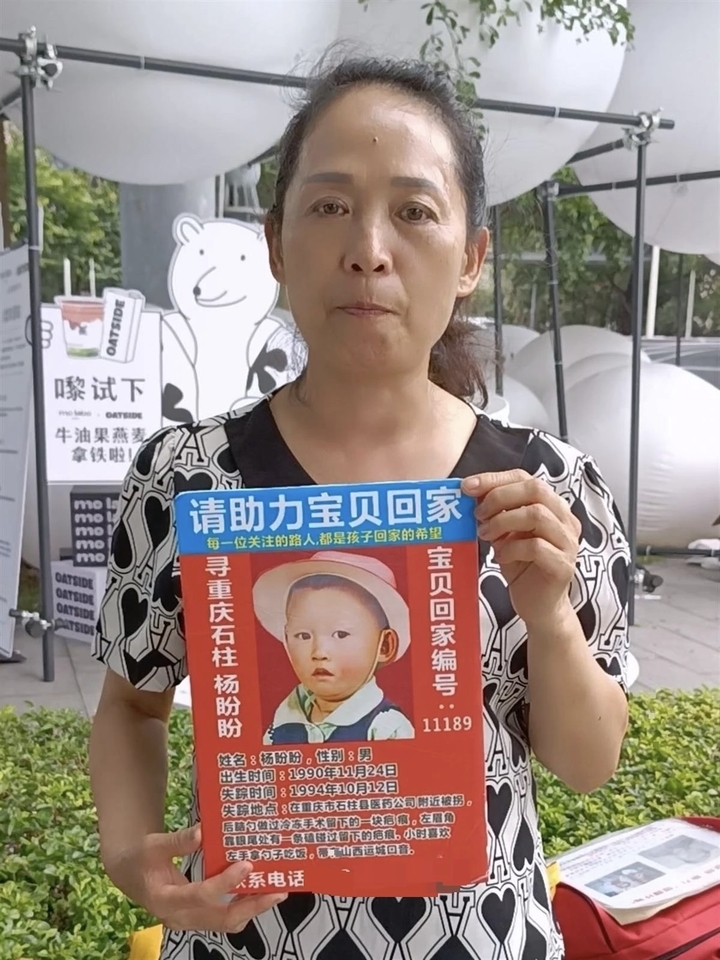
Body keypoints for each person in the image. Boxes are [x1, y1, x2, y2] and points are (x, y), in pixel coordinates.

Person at [90, 55, 630, 960]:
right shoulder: (187, 477)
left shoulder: (551, 487)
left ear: (470, 259)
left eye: (414, 211)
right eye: (331, 205)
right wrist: (129, 856)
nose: (368, 250)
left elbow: (588, 763)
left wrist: (550, 619)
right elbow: (131, 707)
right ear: (276, 245)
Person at [254, 550, 415, 744]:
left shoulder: (386, 727)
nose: (319, 652)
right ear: (286, 640)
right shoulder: (283, 720)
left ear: (384, 646)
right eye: (304, 636)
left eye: (341, 634)